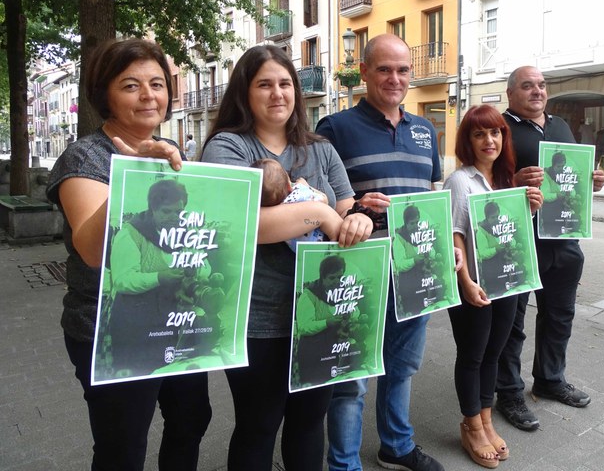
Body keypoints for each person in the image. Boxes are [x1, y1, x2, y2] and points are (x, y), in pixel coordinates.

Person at [199, 45, 372, 471]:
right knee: (259, 424)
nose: (278, 93)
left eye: (285, 84)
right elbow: (242, 226)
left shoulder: (321, 149)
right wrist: (316, 212)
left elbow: (346, 207)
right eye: (264, 84)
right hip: (258, 317)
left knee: (310, 422)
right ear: (245, 92)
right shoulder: (228, 147)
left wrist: (360, 221)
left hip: (322, 313)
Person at [46, 38, 212, 470]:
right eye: (131, 85)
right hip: (111, 329)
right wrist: (135, 172)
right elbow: (91, 250)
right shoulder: (84, 157)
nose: (148, 95)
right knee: (123, 445)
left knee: (191, 420)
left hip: (176, 321)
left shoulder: (171, 157)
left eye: (157, 84)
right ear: (105, 94)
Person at [316, 33, 445, 471]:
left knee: (403, 365)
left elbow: (431, 194)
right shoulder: (334, 129)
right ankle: (344, 464)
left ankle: (396, 445)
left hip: (413, 265)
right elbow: (316, 199)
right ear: (365, 72)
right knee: (350, 374)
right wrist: (353, 208)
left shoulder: (426, 130)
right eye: (385, 69)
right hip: (358, 266)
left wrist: (446, 250)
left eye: (403, 69)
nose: (395, 78)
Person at [495, 65, 604, 432]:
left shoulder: (560, 127)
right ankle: (508, 391)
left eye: (541, 86)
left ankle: (550, 379)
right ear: (511, 93)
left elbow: (570, 182)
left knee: (560, 315)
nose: (537, 92)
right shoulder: (500, 129)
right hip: (518, 240)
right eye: (527, 86)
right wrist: (511, 182)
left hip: (564, 239)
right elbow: (479, 183)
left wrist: (591, 182)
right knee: (512, 322)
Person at [443, 105, 543, 468]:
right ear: (468, 141)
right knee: (472, 355)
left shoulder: (507, 180)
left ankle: (485, 420)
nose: (490, 140)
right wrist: (465, 281)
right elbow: (453, 235)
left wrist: (529, 208)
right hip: (473, 285)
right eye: (479, 133)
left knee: (494, 354)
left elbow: (509, 234)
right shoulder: (460, 181)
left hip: (507, 282)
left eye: (496, 132)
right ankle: (471, 425)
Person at [108, 178, 220, 377]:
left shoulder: (187, 233)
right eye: (166, 212)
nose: (174, 217)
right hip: (136, 326)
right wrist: (159, 277)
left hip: (172, 322)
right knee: (140, 383)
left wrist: (196, 269)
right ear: (152, 208)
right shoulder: (130, 234)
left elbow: (206, 267)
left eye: (178, 212)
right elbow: (122, 280)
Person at [293, 254, 360, 387]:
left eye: (340, 277)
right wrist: (327, 322)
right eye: (332, 278)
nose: (337, 281)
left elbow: (356, 310)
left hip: (333, 351)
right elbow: (304, 326)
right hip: (313, 354)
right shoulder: (309, 295)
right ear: (323, 277)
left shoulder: (343, 290)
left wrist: (351, 313)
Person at [251, 157, 333, 249]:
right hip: (323, 240)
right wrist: (306, 187)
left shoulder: (275, 213)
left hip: (300, 251)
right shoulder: (299, 193)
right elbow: (324, 200)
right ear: (289, 186)